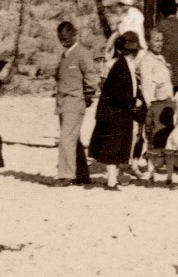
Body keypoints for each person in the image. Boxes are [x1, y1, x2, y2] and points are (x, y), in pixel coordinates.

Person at [87, 32, 143, 190]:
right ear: (133, 51)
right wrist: (133, 100)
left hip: (117, 112)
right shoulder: (121, 66)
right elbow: (115, 91)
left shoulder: (124, 64)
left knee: (116, 147)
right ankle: (111, 181)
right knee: (114, 147)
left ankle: (113, 179)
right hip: (114, 113)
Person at [52, 21, 97, 186]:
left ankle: (66, 175)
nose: (63, 41)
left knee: (66, 139)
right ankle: (82, 174)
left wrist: (87, 96)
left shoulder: (82, 53)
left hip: (74, 101)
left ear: (74, 34)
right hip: (63, 102)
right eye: (60, 39)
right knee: (73, 139)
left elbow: (92, 77)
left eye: (65, 38)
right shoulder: (65, 55)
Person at [136, 29, 176, 178]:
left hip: (165, 104)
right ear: (148, 42)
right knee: (152, 137)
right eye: (156, 40)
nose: (159, 43)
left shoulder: (160, 58)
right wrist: (151, 107)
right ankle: (146, 167)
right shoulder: (147, 61)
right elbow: (146, 87)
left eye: (161, 40)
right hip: (156, 105)